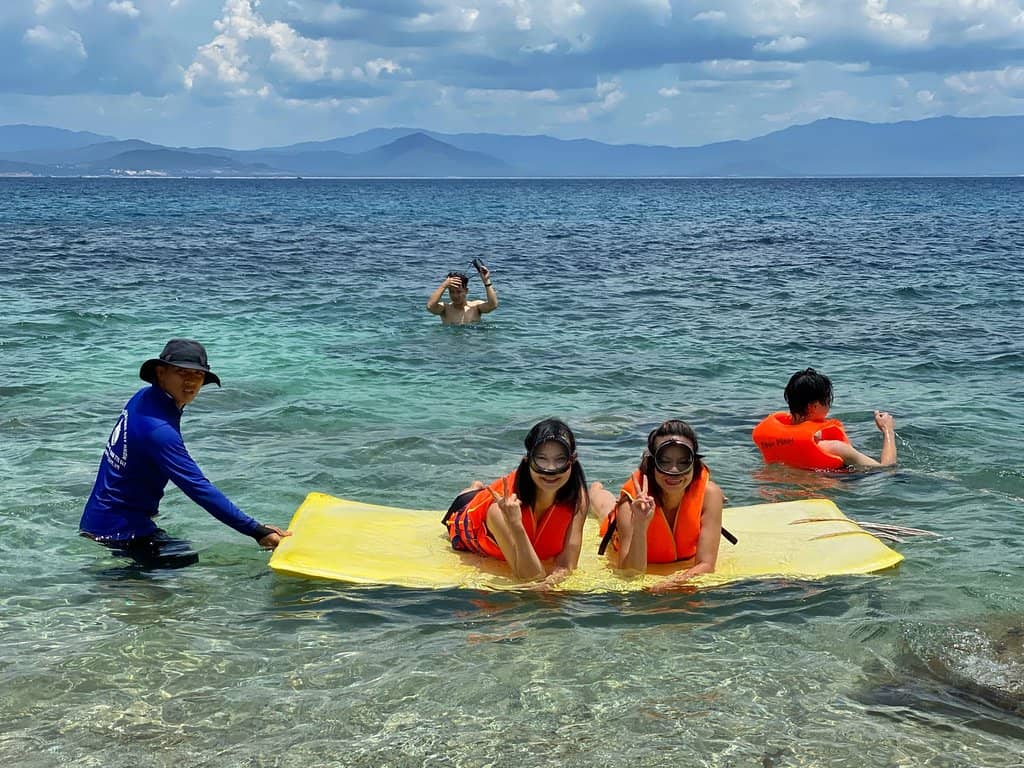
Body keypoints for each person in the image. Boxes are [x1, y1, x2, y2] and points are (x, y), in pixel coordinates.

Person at [79, 339, 290, 568]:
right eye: (181, 372)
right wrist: (257, 531)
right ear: (161, 373)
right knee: (181, 564)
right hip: (118, 530)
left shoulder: (144, 398)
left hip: (103, 520)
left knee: (176, 564)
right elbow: (198, 488)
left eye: (198, 375)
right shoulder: (158, 430)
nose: (190, 382)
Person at [442, 419, 590, 587]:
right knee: (468, 497)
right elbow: (530, 576)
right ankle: (473, 488)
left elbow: (567, 565)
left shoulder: (579, 499)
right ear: (527, 461)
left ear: (572, 460)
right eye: (541, 459)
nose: (550, 470)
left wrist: (551, 582)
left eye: (560, 459)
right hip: (464, 515)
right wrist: (515, 525)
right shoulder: (500, 510)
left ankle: (478, 488)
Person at [592, 420, 725, 592]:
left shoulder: (710, 494)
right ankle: (595, 490)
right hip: (620, 524)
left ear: (695, 463)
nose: (675, 471)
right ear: (652, 464)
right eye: (665, 462)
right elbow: (630, 574)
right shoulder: (632, 502)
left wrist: (675, 584)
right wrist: (640, 524)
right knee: (604, 508)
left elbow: (706, 564)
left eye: (684, 462)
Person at [752, 367, 897, 470]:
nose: (829, 406)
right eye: (828, 401)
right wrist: (887, 429)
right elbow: (886, 468)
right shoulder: (834, 447)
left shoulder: (772, 439)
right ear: (813, 407)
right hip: (826, 492)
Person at [426, 258, 498, 325]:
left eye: (459, 292)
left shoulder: (476, 307)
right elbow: (430, 307)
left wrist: (486, 281)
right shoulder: (445, 309)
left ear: (466, 291)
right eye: (452, 292)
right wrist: (443, 286)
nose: (455, 295)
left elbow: (493, 305)